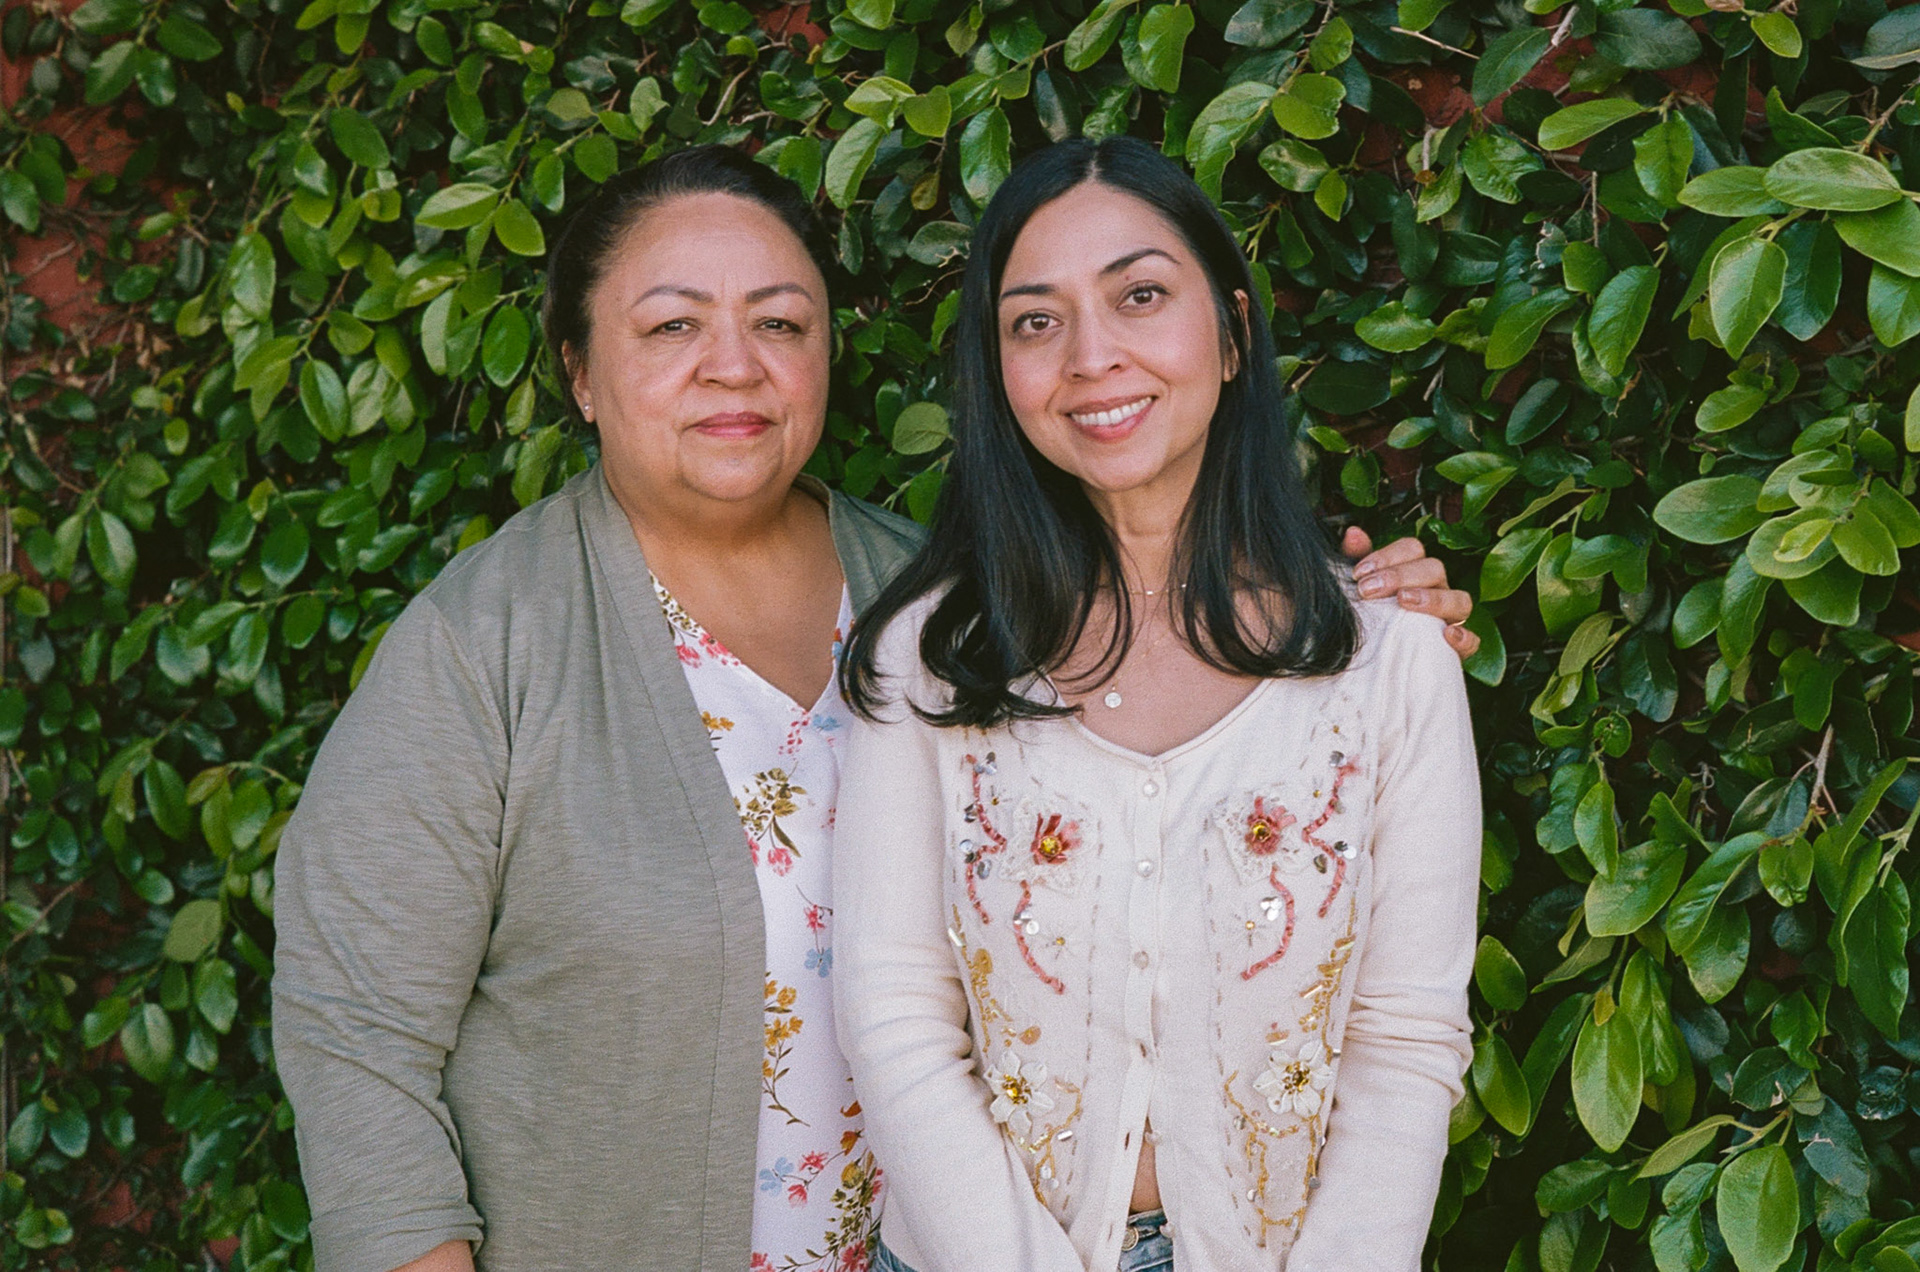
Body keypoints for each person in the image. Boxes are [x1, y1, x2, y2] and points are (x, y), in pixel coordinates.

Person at [270, 145, 1474, 1272]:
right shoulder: (485, 646)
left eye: (779, 323)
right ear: (581, 372)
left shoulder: (942, 609)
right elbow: (353, 1034)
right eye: (673, 325)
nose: (733, 364)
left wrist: (1375, 621)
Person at [835, 136, 1482, 1272]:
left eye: (1140, 296)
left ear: (1232, 332)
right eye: (1036, 321)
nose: (1092, 357)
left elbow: (1405, 1039)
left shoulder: (1388, 659)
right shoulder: (931, 660)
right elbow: (895, 1020)